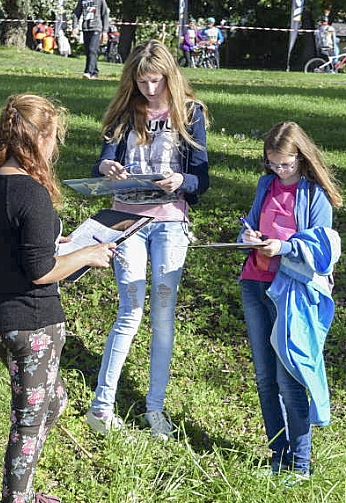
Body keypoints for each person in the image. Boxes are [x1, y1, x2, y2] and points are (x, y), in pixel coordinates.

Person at [0, 94, 115, 503]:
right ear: (41, 137)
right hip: (32, 324)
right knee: (27, 423)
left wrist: (54, 238)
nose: (55, 148)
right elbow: (39, 270)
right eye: (54, 139)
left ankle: (22, 492)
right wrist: (86, 253)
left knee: (54, 402)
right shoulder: (29, 190)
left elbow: (10, 242)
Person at [86, 40, 210, 440]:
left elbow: (201, 178)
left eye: (156, 81)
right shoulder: (125, 112)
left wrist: (183, 181)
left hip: (171, 220)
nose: (150, 90)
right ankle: (102, 405)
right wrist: (107, 165)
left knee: (162, 316)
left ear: (169, 77)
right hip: (128, 220)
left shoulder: (190, 113)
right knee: (129, 310)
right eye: (142, 82)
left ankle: (154, 407)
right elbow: (104, 159)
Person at [237, 121, 342, 479]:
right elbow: (249, 223)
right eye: (273, 164)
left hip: (292, 292)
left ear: (301, 157)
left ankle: (300, 465)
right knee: (266, 379)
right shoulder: (266, 185)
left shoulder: (315, 195)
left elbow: (321, 248)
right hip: (255, 282)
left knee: (289, 378)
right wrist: (248, 235)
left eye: (286, 164)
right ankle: (277, 456)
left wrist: (282, 246)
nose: (280, 171)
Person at [72, 0, 109, 79]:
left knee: (92, 49)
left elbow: (105, 14)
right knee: (89, 51)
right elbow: (76, 13)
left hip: (96, 27)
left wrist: (105, 31)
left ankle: (88, 71)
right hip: (86, 28)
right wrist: (75, 27)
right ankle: (94, 72)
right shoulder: (82, 1)